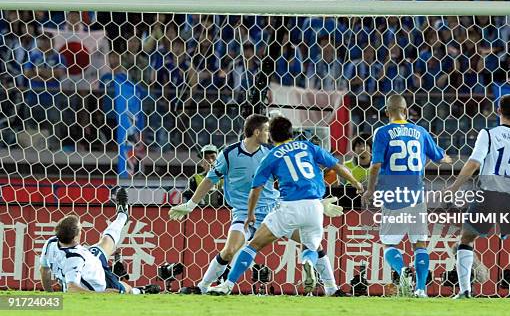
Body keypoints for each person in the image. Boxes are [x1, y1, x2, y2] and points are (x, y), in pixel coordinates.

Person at [169, 115, 346, 296]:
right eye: (267, 130)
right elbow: (209, 180)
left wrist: (317, 202)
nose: (269, 134)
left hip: (275, 211)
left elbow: (295, 177)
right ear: (257, 132)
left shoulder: (271, 153)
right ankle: (202, 287)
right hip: (244, 214)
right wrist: (191, 204)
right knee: (229, 251)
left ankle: (332, 289)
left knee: (313, 245)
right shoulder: (229, 154)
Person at [446, 94, 510, 300]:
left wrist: (454, 187)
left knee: (466, 239)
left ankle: (465, 291)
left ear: (498, 110)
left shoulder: (489, 134)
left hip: (488, 195)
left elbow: (474, 163)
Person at [362, 94, 450, 298]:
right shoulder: (420, 131)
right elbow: (439, 157)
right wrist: (447, 158)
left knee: (390, 243)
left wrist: (370, 189)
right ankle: (421, 289)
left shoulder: (382, 132)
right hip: (417, 195)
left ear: (386, 112)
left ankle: (402, 272)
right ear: (407, 110)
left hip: (393, 195)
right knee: (419, 242)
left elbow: (375, 164)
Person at [38, 188, 159, 294]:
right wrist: (103, 294)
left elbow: (44, 270)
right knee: (126, 289)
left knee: (106, 241)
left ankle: (122, 215)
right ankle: (140, 291)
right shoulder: (73, 259)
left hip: (91, 260)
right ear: (75, 237)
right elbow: (72, 288)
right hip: (99, 283)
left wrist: (49, 293)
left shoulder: (51, 243)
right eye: (80, 229)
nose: (81, 230)